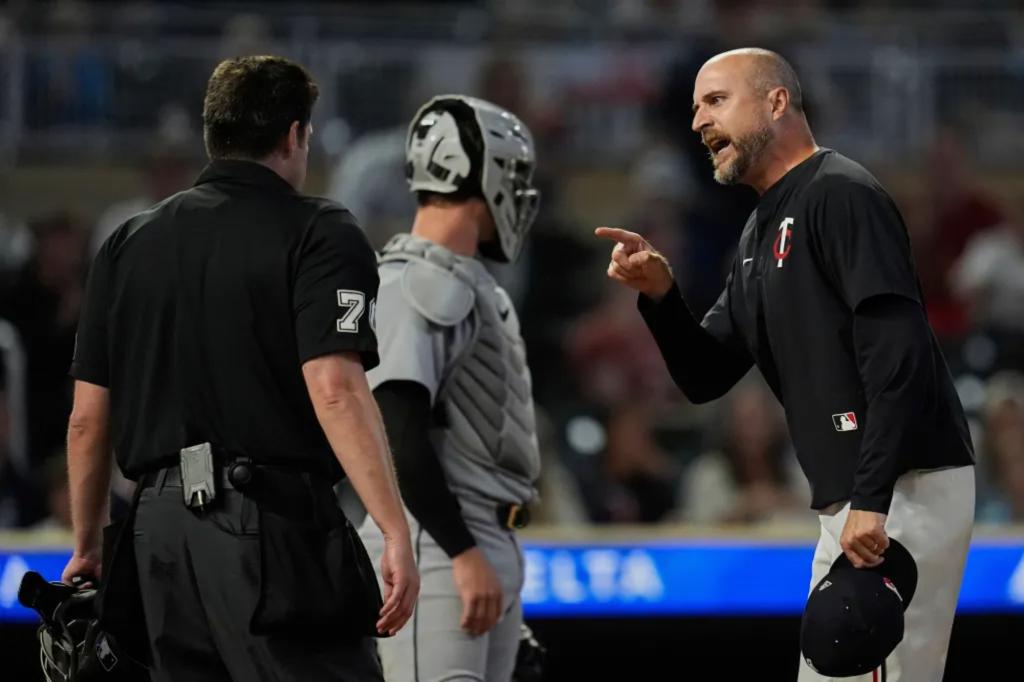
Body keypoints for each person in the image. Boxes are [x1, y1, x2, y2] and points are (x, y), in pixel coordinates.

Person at [596, 48, 975, 682]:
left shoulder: (840, 192)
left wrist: (873, 499)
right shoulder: (759, 228)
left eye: (715, 101)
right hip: (859, 498)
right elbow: (705, 376)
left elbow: (900, 356)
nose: (697, 122)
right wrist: (661, 298)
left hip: (903, 484)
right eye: (694, 108)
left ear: (776, 102)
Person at [63, 55, 418, 681]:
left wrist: (89, 546)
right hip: (267, 524)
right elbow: (334, 387)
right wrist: (392, 525)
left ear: (213, 133)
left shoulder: (127, 241)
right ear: (294, 134)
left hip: (156, 533)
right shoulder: (321, 228)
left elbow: (88, 421)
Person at [358, 94, 541, 682]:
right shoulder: (413, 279)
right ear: (474, 171)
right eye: (511, 175)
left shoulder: (468, 281)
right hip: (435, 546)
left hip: (486, 537)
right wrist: (462, 552)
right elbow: (396, 434)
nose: (519, 192)